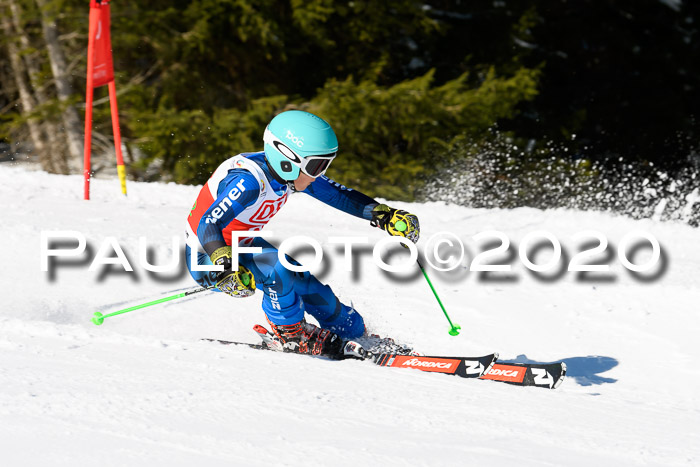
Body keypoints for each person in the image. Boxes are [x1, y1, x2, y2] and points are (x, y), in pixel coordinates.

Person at [185, 110, 419, 358]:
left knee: (304, 282)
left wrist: (383, 214)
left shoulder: (288, 175)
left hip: (245, 246)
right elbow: (207, 222)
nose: (319, 173)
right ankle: (291, 335)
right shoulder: (249, 182)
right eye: (317, 165)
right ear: (286, 159)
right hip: (208, 257)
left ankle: (354, 334)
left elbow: (337, 194)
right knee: (279, 270)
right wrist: (224, 264)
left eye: (325, 164)